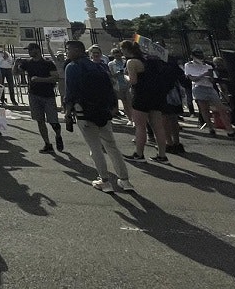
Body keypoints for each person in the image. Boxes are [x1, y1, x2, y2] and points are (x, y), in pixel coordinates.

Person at [64, 40, 134, 192]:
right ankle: (125, 180)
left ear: (78, 50)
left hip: (84, 111)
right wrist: (113, 107)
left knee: (95, 148)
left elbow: (70, 92)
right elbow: (110, 87)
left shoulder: (72, 67)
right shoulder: (99, 66)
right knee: (112, 146)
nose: (67, 52)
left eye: (68, 49)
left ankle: (105, 181)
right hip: (103, 111)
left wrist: (68, 111)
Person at [120, 40, 171, 163]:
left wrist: (125, 76)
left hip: (141, 95)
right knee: (158, 127)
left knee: (140, 126)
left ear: (127, 50)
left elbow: (133, 81)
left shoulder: (131, 62)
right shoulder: (150, 60)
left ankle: (139, 154)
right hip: (156, 95)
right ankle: (162, 155)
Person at [18, 42, 64, 153]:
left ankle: (58, 135)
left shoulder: (48, 63)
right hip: (34, 94)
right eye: (28, 50)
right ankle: (47, 143)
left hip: (48, 95)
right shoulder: (28, 63)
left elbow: (55, 78)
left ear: (37, 50)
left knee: (53, 121)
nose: (29, 52)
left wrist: (40, 79)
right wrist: (16, 65)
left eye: (31, 50)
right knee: (40, 120)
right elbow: (17, 73)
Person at [185, 48, 235, 137]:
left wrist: (210, 76)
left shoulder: (208, 66)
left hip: (209, 87)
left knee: (221, 108)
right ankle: (210, 128)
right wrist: (204, 75)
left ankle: (230, 130)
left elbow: (213, 79)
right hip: (198, 88)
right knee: (204, 109)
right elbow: (192, 78)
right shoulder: (189, 65)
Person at [108, 47, 132, 119]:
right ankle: (129, 118)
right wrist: (117, 73)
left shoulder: (126, 61)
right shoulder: (111, 64)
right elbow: (111, 75)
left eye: (118, 54)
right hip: (118, 85)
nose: (117, 56)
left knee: (130, 102)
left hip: (128, 84)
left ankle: (134, 118)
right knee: (124, 102)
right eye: (115, 55)